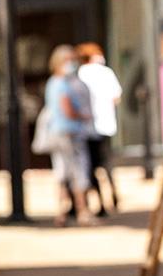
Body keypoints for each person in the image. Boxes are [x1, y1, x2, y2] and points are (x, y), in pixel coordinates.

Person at [42, 44, 94, 226]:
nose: (71, 64)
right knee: (78, 172)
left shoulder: (52, 83)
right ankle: (82, 211)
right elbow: (67, 109)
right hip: (70, 132)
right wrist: (83, 115)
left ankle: (62, 213)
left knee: (62, 173)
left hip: (57, 132)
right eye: (68, 60)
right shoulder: (63, 83)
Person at [76, 42, 122, 216]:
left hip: (88, 126)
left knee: (92, 166)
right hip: (107, 124)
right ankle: (113, 193)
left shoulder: (81, 74)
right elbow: (116, 96)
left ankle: (102, 203)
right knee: (107, 163)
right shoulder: (106, 72)